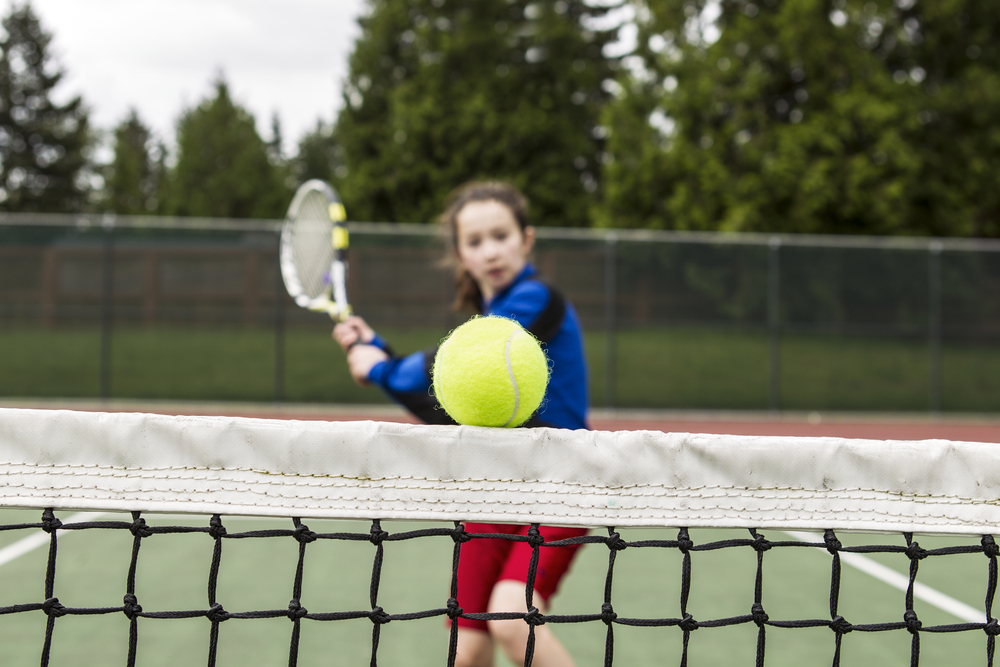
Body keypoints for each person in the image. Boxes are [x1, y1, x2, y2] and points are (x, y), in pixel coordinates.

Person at [332, 181, 589, 667]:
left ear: (527, 239)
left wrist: (381, 368)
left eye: (501, 236)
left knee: (512, 618)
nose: (490, 251)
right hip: (495, 483)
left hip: (564, 480)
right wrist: (380, 353)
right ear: (460, 254)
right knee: (466, 649)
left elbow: (441, 368)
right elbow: (442, 404)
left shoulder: (536, 299)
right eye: (475, 241)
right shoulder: (485, 322)